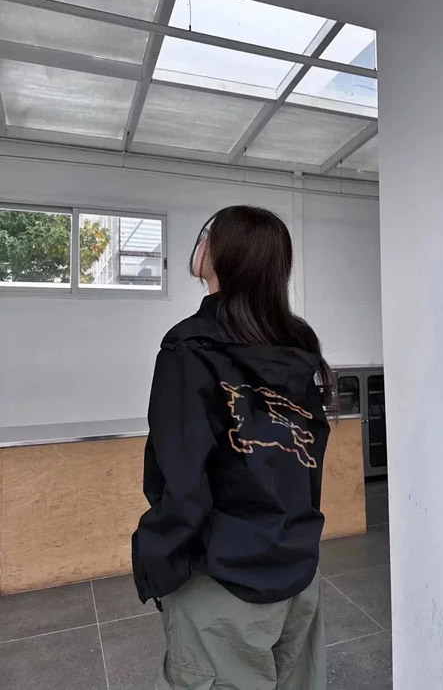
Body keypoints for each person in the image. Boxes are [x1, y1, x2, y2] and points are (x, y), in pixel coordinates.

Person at [132, 205, 332, 690]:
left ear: (225, 253)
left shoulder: (189, 348)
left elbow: (182, 477)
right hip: (298, 565)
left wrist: (156, 558)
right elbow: (306, 465)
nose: (199, 243)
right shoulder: (296, 345)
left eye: (206, 233)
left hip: (222, 580)